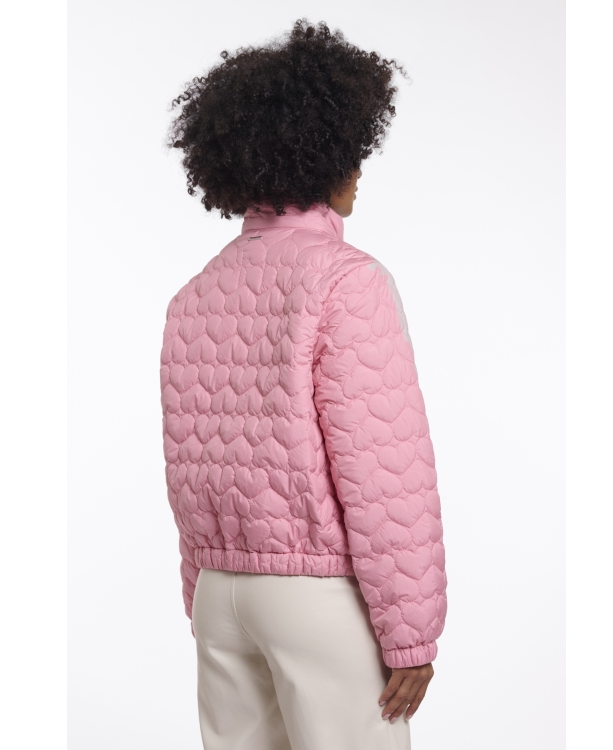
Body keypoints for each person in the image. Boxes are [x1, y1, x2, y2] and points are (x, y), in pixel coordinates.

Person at [161, 19, 447, 750]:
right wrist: (411, 631)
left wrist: (201, 588)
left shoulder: (196, 294)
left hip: (222, 593)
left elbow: (193, 462)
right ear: (322, 156)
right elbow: (383, 469)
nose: (360, 173)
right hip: (316, 597)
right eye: (354, 155)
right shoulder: (346, 282)